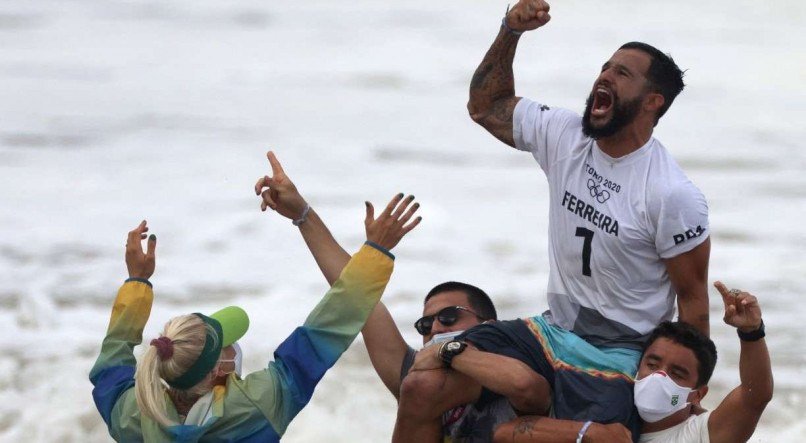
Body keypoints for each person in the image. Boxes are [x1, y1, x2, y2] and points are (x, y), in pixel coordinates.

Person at [394, 0, 713, 439]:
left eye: (623, 73)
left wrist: (685, 396)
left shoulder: (671, 194)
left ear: (652, 102)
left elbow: (693, 302)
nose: (605, 76)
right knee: (420, 385)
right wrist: (510, 30)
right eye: (606, 67)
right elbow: (487, 106)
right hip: (549, 331)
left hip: (618, 354)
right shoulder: (567, 135)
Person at [255, 151, 547, 441]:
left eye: (449, 317)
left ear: (490, 325)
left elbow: (530, 389)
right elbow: (357, 302)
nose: (434, 328)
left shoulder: (517, 368)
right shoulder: (414, 377)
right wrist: (303, 215)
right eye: (425, 325)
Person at [89, 185, 419, 441]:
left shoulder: (131, 416)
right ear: (218, 368)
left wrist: (137, 282)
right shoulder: (257, 406)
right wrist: (375, 252)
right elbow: (325, 331)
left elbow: (110, 363)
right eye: (224, 343)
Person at [492, 281, 773, 443]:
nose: (659, 376)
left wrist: (751, 332)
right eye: (653, 364)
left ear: (698, 393)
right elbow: (505, 433)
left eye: (677, 373)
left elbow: (755, 395)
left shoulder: (700, 433)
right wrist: (588, 432)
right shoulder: (597, 404)